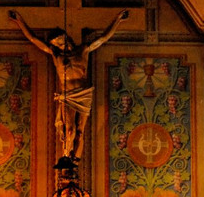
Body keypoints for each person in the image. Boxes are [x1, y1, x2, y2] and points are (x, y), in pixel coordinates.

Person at [8, 8, 130, 163]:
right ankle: (66, 157)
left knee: (80, 132)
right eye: (55, 44)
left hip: (84, 94)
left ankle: (76, 161)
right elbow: (33, 39)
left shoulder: (83, 50)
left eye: (58, 41)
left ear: (64, 37)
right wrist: (19, 21)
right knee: (69, 130)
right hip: (68, 95)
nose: (57, 46)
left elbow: (103, 38)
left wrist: (118, 19)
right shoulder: (56, 55)